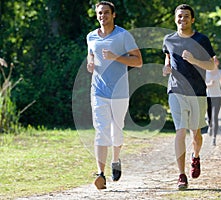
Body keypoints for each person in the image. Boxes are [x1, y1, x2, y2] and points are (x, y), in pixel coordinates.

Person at [86, 1, 142, 190]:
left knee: (116, 131)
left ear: (113, 15)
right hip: (98, 91)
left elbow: (138, 61)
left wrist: (116, 57)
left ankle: (116, 160)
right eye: (100, 13)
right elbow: (91, 55)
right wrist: (90, 63)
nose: (103, 16)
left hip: (119, 92)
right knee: (101, 130)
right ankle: (100, 174)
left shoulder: (123, 35)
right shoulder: (91, 36)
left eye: (106, 13)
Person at [162, 4, 216, 190]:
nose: (182, 19)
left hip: (197, 91)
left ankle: (196, 156)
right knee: (180, 130)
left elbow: (211, 66)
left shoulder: (201, 39)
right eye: (179, 16)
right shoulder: (168, 39)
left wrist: (194, 60)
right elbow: (168, 57)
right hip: (176, 90)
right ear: (175, 18)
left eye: (186, 16)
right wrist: (166, 66)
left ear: (192, 19)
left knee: (196, 133)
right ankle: (181, 175)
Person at [206, 58, 221, 146]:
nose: (214, 62)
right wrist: (209, 84)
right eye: (212, 61)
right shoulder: (206, 72)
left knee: (215, 117)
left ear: (217, 63)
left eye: (216, 60)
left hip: (217, 96)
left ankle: (214, 138)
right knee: (209, 117)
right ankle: (209, 126)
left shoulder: (220, 72)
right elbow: (202, 84)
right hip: (207, 96)